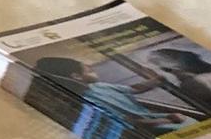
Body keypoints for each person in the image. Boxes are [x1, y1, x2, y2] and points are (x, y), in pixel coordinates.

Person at [31, 56, 195, 133]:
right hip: (151, 127)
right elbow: (131, 122)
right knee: (188, 126)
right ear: (76, 77)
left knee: (190, 123)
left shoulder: (100, 86)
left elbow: (134, 88)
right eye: (88, 70)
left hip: (158, 118)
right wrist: (168, 119)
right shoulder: (86, 102)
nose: (93, 70)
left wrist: (156, 80)